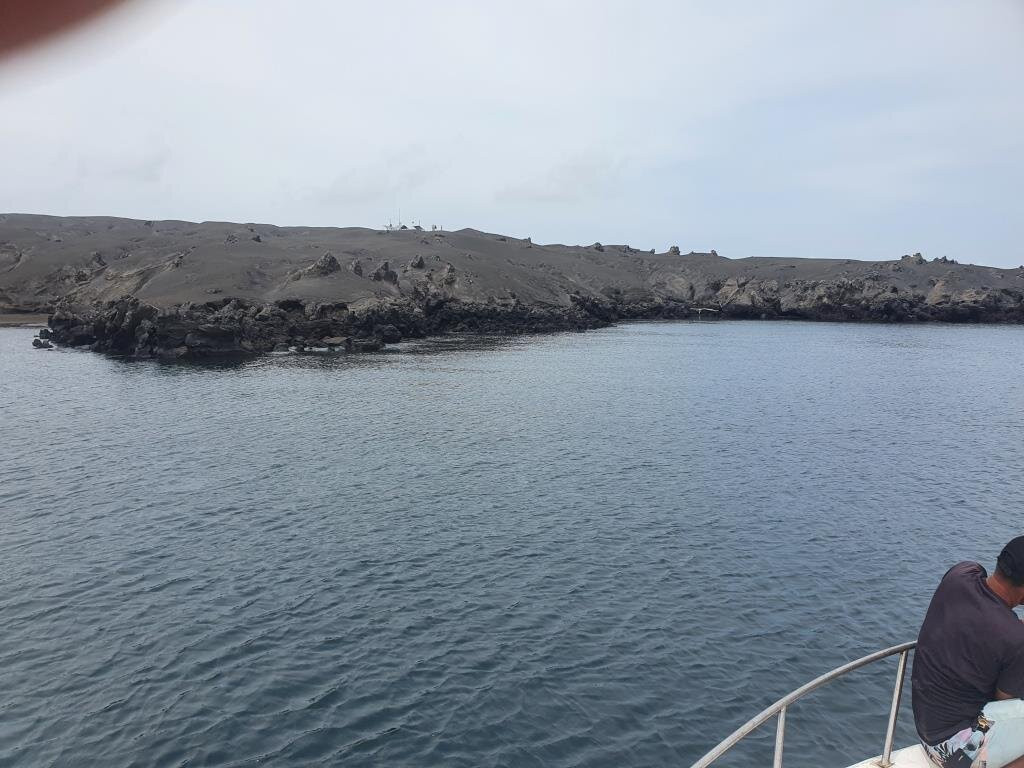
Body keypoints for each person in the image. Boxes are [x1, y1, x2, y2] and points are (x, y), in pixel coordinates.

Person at [912, 536, 1024, 768]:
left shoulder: (960, 574)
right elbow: (1004, 703)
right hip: (955, 752)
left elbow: (982, 620)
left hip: (926, 732)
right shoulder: (1015, 639)